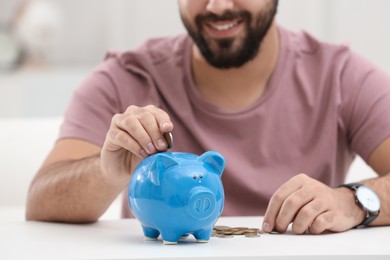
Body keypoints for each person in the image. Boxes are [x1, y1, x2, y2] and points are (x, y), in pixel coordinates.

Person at [26, 0, 390, 235]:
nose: (217, 6)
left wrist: (355, 201)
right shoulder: (124, 77)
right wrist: (106, 172)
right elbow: (41, 201)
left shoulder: (341, 75)